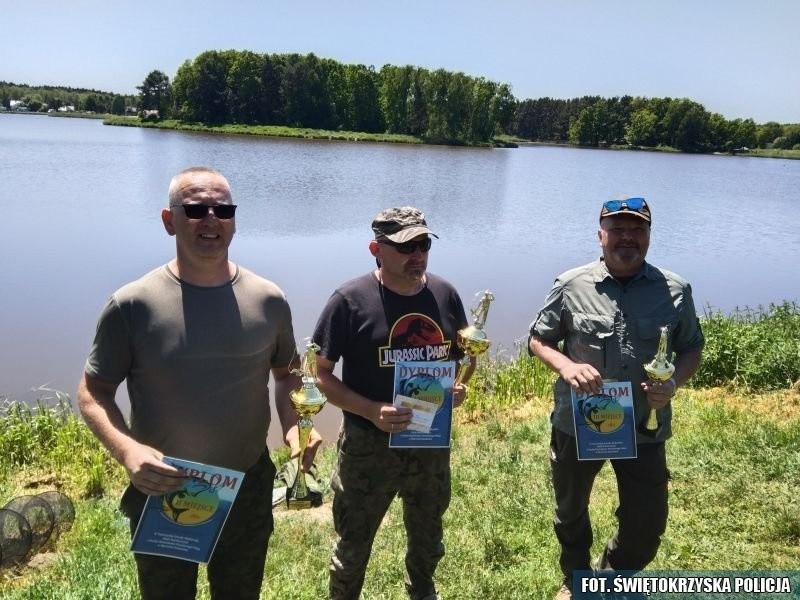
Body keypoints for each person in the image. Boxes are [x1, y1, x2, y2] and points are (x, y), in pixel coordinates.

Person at [77, 166, 320, 600]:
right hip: (166, 489)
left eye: (223, 209)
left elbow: (287, 375)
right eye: (195, 209)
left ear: (234, 220)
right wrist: (129, 450)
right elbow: (93, 393)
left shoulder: (268, 300)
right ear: (169, 220)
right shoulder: (132, 304)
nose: (211, 219)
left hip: (245, 484)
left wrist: (293, 426)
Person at [527, 197, 704, 600]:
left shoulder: (674, 290)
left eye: (637, 229)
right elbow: (538, 339)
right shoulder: (570, 285)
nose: (628, 238)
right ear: (600, 235)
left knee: (647, 523)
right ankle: (575, 581)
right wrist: (566, 366)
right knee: (571, 513)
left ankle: (608, 578)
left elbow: (691, 347)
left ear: (649, 236)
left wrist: (673, 382)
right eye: (618, 229)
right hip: (578, 424)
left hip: (644, 426)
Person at [312, 207, 475, 600]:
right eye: (405, 246)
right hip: (369, 446)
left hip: (429, 443)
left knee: (429, 537)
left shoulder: (444, 294)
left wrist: (456, 386)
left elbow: (463, 355)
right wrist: (370, 410)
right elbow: (319, 376)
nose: (417, 255)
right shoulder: (349, 301)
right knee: (353, 543)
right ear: (376, 249)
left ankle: (421, 591)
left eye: (422, 244)